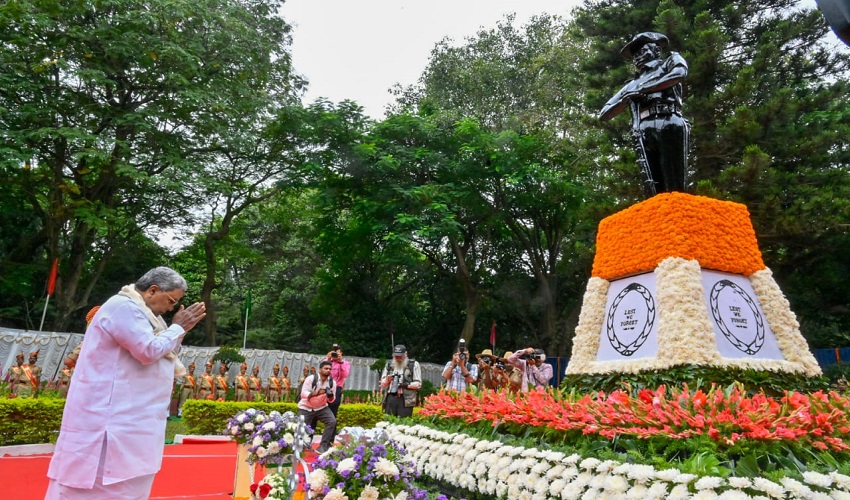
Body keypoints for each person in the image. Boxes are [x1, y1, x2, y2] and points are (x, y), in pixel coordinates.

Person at [46, 266, 205, 498]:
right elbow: (147, 350)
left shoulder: (150, 316)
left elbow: (165, 349)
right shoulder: (122, 307)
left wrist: (178, 331)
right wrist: (178, 327)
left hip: (135, 419)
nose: (171, 308)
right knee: (96, 485)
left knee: (130, 485)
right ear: (152, 290)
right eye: (171, 300)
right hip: (109, 419)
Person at [599, 32, 689, 196]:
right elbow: (604, 113)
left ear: (656, 50)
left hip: (668, 120)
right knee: (652, 183)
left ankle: (679, 210)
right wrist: (626, 99)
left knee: (674, 179)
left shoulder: (669, 62)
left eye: (641, 51)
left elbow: (679, 74)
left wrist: (643, 89)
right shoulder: (631, 84)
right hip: (643, 129)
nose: (637, 58)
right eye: (634, 56)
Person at [297, 360, 337, 453]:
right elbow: (303, 394)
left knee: (332, 421)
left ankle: (323, 446)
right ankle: (299, 447)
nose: (328, 370)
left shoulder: (332, 383)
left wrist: (330, 396)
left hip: (321, 407)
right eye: (326, 368)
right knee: (301, 428)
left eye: (330, 369)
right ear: (320, 369)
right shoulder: (311, 379)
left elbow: (331, 400)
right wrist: (317, 393)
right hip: (306, 407)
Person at [379, 345, 422, 417]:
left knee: (404, 421)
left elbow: (418, 384)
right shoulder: (389, 365)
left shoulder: (413, 365)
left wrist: (404, 385)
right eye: (396, 356)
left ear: (406, 354)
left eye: (400, 356)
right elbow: (382, 383)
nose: (398, 358)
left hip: (406, 399)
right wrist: (388, 380)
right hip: (391, 397)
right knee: (388, 420)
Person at [326, 343, 350, 418]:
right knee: (320, 407)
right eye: (334, 353)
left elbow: (345, 375)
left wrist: (340, 362)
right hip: (325, 386)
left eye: (338, 353)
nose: (335, 355)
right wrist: (327, 359)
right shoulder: (328, 361)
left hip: (337, 387)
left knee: (334, 408)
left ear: (341, 353)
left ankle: (332, 425)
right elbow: (321, 371)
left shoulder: (345, 363)